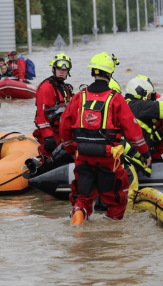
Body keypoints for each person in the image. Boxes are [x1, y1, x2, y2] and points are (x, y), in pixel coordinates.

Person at [60, 52, 151, 225]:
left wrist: (71, 149)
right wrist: (145, 152)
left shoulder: (79, 96)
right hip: (108, 158)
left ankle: (78, 223)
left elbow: (64, 124)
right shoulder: (116, 99)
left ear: (93, 72)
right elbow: (133, 130)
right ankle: (110, 237)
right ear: (110, 74)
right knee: (117, 198)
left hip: (83, 155)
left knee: (82, 196)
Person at [123, 75, 163, 176]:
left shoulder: (125, 103)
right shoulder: (140, 106)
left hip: (126, 152)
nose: (150, 98)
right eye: (149, 95)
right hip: (134, 157)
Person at [33, 53, 74, 158]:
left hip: (63, 134)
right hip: (51, 134)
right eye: (59, 68)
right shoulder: (46, 87)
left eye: (65, 69)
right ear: (53, 69)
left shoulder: (65, 88)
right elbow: (42, 115)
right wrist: (48, 136)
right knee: (49, 159)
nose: (62, 71)